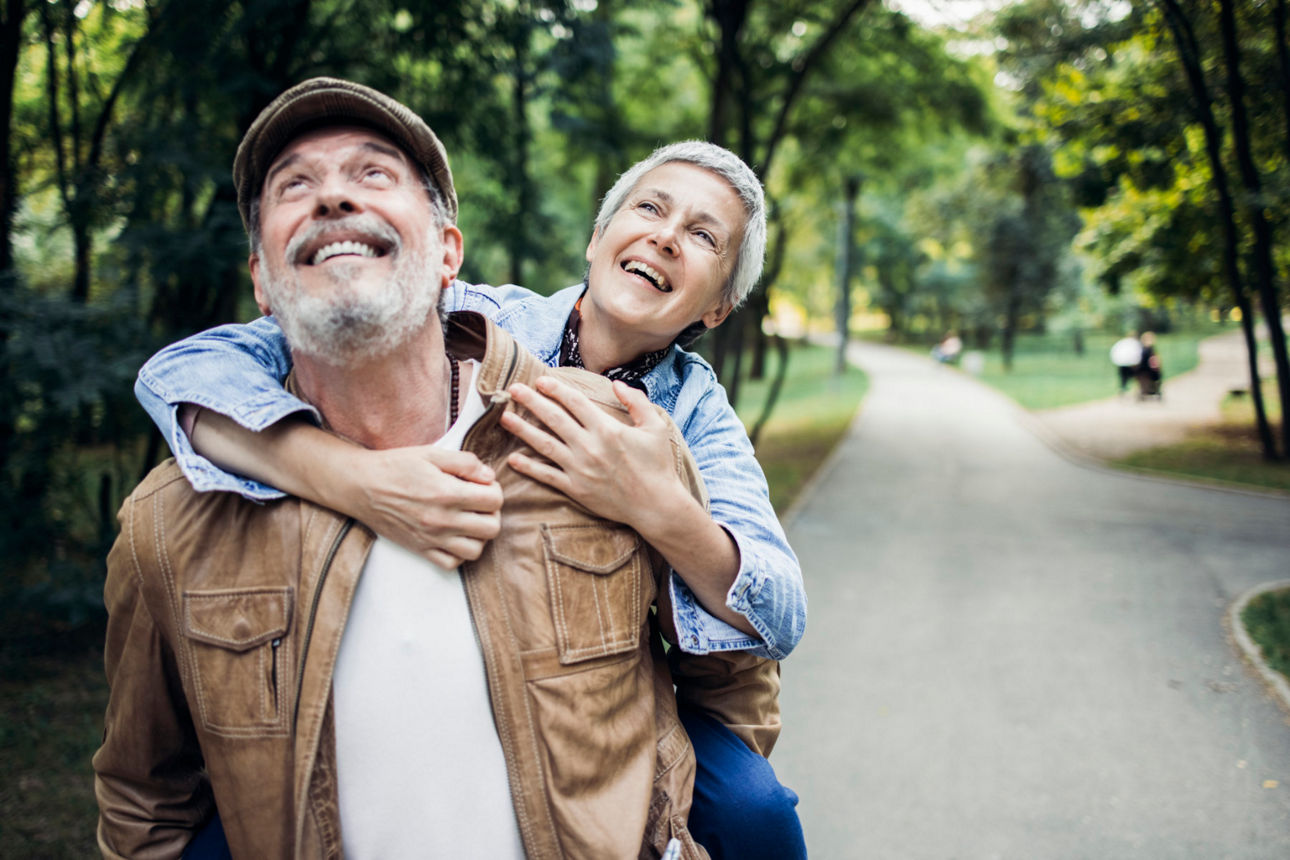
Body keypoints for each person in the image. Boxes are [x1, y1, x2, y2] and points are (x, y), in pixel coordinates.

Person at [93, 78, 782, 859]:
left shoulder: (654, 432)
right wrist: (351, 477)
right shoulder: (170, 522)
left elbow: (758, 640)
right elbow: (181, 370)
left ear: (447, 251)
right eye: (296, 186)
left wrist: (659, 508)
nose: (331, 200)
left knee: (757, 812)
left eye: (374, 175)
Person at [1136, 330, 1163, 398]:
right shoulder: (1150, 349)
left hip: (1144, 369)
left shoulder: (1143, 349)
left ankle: (1149, 391)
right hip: (1150, 369)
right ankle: (1153, 391)